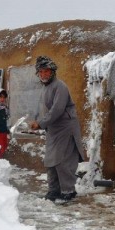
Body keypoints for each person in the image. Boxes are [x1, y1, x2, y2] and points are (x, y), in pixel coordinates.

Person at [30, 55, 86, 203]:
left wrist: (41, 124)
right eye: (40, 72)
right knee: (51, 160)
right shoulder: (46, 88)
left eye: (46, 71)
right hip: (53, 129)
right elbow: (45, 109)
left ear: (52, 71)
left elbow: (57, 109)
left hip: (65, 128)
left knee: (63, 160)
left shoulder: (60, 86)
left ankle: (68, 191)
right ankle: (54, 190)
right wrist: (38, 121)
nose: (43, 74)